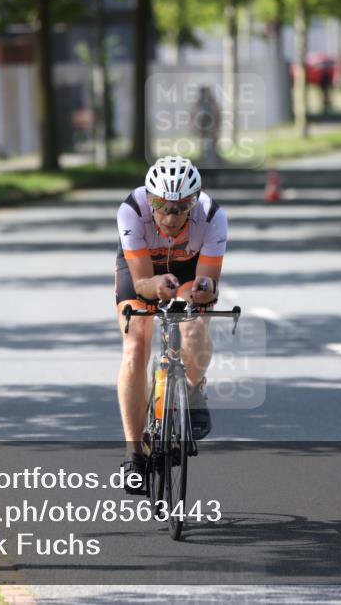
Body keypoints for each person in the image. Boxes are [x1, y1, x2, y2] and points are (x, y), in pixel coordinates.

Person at [114, 156, 227, 493]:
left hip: (190, 270)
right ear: (150, 199)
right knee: (135, 344)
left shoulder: (212, 217)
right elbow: (141, 283)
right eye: (161, 205)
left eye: (180, 207)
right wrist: (155, 285)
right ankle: (134, 454)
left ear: (194, 202)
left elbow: (207, 283)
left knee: (194, 329)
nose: (169, 216)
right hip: (144, 272)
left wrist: (202, 292)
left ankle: (193, 390)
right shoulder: (132, 210)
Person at [191, 86, 222, 170]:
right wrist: (195, 128)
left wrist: (215, 129)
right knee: (203, 151)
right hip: (202, 131)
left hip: (212, 131)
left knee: (212, 150)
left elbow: (217, 116)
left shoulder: (213, 104)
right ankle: (203, 167)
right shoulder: (198, 104)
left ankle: (214, 167)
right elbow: (193, 117)